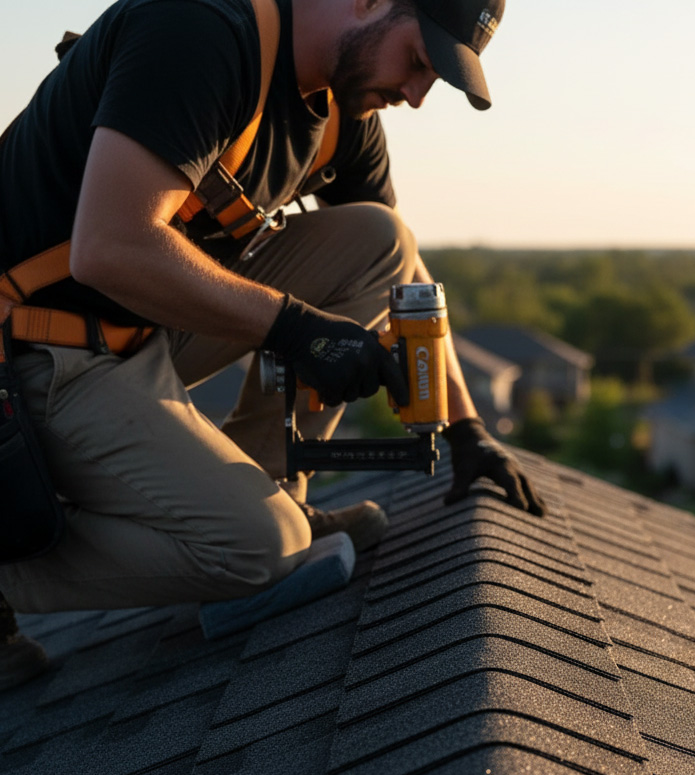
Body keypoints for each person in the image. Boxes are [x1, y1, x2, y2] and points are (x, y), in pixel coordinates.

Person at [0, 0, 546, 685]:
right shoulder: (200, 30)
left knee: (380, 240)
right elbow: (109, 247)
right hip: (34, 352)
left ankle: (275, 486)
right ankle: (12, 568)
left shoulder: (342, 109)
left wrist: (466, 426)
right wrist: (298, 330)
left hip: (137, 326)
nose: (415, 95)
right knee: (257, 551)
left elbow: (402, 279)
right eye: (418, 61)